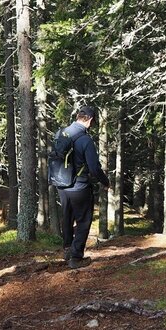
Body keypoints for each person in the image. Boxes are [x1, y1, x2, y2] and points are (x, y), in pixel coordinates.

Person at [58, 105, 109, 269]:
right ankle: (76, 257)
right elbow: (94, 168)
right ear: (91, 120)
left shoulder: (61, 133)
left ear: (78, 117)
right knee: (83, 220)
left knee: (67, 217)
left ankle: (67, 249)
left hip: (62, 185)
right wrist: (106, 182)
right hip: (79, 186)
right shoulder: (85, 140)